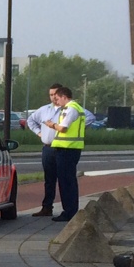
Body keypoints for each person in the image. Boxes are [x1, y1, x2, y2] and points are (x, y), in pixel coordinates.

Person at [39, 84, 86, 222]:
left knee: (66, 182)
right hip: (70, 148)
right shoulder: (77, 108)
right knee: (68, 181)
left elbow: (63, 128)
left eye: (58, 99)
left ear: (64, 97)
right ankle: (70, 210)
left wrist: (51, 125)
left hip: (67, 149)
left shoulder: (70, 109)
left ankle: (69, 212)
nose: (56, 102)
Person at [26, 93, 63, 218]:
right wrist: (39, 132)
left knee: (65, 180)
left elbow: (89, 118)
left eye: (56, 94)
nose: (53, 97)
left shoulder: (69, 109)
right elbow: (30, 120)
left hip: (63, 148)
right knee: (49, 179)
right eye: (51, 94)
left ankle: (68, 209)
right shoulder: (44, 110)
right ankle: (47, 207)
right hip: (48, 148)